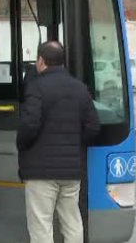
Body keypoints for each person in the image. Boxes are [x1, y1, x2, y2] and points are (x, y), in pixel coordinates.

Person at [17, 41, 101, 243]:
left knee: (41, 225)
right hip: (71, 170)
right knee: (72, 221)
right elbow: (93, 127)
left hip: (40, 171)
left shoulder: (36, 87)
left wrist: (22, 145)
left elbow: (29, 125)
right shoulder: (80, 88)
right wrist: (75, 146)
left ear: (41, 61)